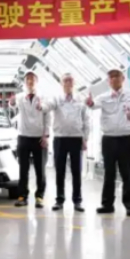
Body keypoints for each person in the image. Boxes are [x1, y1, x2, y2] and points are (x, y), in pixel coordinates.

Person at [86, 68, 130, 216]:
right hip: (109, 139)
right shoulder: (103, 97)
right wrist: (89, 103)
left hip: (126, 139)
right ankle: (107, 204)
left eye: (117, 76)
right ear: (108, 81)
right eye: (111, 77)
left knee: (127, 173)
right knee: (108, 173)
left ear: (123, 78)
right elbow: (93, 105)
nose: (114, 79)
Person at [41, 73, 89, 212]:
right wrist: (41, 106)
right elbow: (48, 106)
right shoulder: (56, 98)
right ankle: (59, 200)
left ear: (74, 83)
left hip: (76, 139)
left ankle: (77, 201)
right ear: (61, 84)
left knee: (76, 172)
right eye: (65, 81)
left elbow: (86, 120)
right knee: (60, 171)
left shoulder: (80, 100)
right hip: (60, 139)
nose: (68, 83)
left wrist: (85, 138)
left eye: (70, 80)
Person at [9, 71, 50, 208]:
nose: (30, 82)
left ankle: (39, 196)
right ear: (25, 82)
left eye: (32, 79)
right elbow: (13, 105)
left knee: (40, 169)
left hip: (39, 138)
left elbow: (48, 116)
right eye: (27, 79)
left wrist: (46, 135)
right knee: (23, 169)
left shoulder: (43, 97)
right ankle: (22, 196)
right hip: (23, 136)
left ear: (36, 82)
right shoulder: (20, 97)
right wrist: (11, 102)